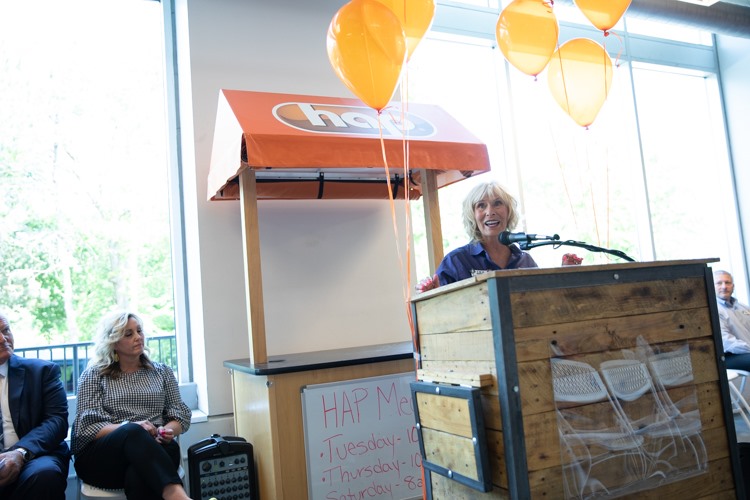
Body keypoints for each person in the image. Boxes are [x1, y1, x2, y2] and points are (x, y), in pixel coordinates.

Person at [71, 310, 192, 500]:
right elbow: (87, 427)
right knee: (133, 432)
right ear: (113, 343)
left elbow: (180, 415)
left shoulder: (162, 372)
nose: (138, 337)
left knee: (139, 473)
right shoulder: (94, 375)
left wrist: (166, 431)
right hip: (105, 458)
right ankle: (177, 495)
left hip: (154, 450)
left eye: (139, 331)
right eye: (129, 334)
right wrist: (130, 427)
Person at [416, 180, 581, 292]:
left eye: (497, 203)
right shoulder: (456, 261)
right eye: (481, 205)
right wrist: (431, 293)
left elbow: (544, 302)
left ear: (508, 211)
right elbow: (438, 311)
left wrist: (565, 274)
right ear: (472, 215)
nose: (490, 212)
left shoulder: (525, 261)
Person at [0, 311, 70, 500]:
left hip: (33, 456)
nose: (3, 338)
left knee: (45, 474)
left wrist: (20, 452)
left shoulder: (42, 371)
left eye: (6, 330)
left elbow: (56, 421)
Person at [714, 270, 750, 372]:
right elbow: (727, 343)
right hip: (729, 356)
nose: (724, 286)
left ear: (733, 286)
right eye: (719, 283)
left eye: (728, 282)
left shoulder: (744, 308)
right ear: (712, 287)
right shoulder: (714, 311)